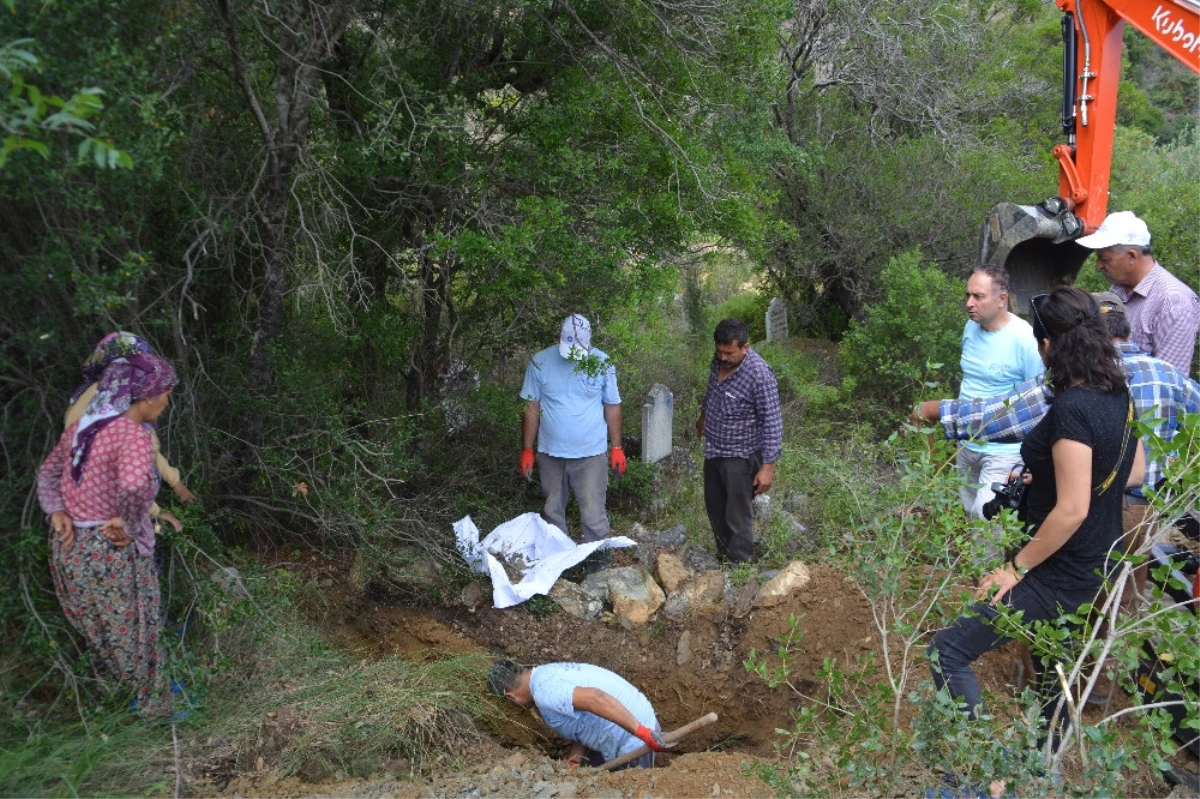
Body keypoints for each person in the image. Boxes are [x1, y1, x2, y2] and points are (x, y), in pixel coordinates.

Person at [927, 288, 1145, 785]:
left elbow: (1072, 508)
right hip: (1095, 563)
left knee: (949, 650)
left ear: (1048, 345)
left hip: (1057, 570)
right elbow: (1132, 473)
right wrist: (1043, 477)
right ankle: (1040, 773)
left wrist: (1015, 568)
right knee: (1051, 671)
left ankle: (981, 774)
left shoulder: (1073, 408)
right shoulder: (1119, 394)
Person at [922, 291, 1200, 602]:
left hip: (1078, 512)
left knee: (1045, 605)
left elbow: (997, 416)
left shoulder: (1072, 384)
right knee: (1119, 607)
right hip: (1140, 514)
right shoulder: (1171, 377)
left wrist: (937, 411)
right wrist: (1173, 460)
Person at [37, 350, 181, 716]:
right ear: (145, 396)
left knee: (102, 629)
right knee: (136, 631)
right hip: (110, 550)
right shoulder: (131, 435)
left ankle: (120, 700)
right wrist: (131, 524)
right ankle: (156, 710)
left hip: (71, 551)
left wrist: (56, 509)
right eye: (164, 393)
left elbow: (47, 473)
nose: (166, 401)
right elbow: (133, 489)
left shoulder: (82, 428)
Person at [66, 332, 196, 532]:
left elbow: (149, 451)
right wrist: (154, 512)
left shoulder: (123, 397)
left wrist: (176, 483)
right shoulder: (103, 399)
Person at [951, 264, 1044, 523]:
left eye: (978, 296)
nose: (969, 303)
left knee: (987, 517)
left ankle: (995, 566)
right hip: (966, 442)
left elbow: (1037, 397)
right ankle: (974, 564)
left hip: (1004, 449)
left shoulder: (1024, 338)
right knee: (969, 513)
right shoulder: (970, 328)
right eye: (968, 295)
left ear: (1002, 299)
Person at [520, 314, 624, 544]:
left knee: (593, 515)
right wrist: (527, 449)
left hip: (590, 455)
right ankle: (559, 568)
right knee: (552, 512)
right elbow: (531, 408)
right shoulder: (540, 362)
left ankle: (598, 568)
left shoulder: (603, 363)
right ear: (559, 338)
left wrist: (617, 446)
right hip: (550, 453)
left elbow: (612, 406)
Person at [695, 319, 782, 563]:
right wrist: (704, 415)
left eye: (729, 352)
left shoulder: (759, 375)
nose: (723, 357)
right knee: (715, 509)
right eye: (719, 351)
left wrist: (767, 467)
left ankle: (741, 568)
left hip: (741, 456)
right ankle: (723, 559)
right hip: (713, 450)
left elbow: (772, 421)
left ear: (745, 347)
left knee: (737, 516)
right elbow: (713, 390)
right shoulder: (718, 362)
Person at [487, 659, 672, 769]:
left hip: (634, 741)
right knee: (590, 773)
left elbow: (595, 698)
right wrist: (573, 762)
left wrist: (642, 733)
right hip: (628, 725)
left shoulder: (545, 692)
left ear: (509, 696)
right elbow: (583, 721)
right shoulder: (544, 674)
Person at [1077, 210, 1200, 373]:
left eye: (1105, 259)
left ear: (1132, 256)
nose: (1099, 266)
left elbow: (1169, 381)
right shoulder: (1118, 288)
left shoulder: (1174, 303)